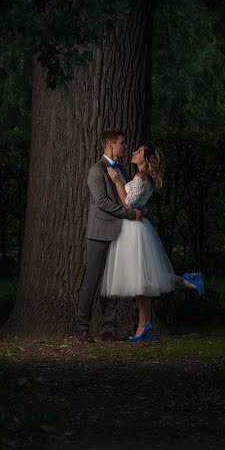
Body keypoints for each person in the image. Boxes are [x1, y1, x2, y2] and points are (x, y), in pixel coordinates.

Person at [103, 142, 204, 342]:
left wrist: (116, 182)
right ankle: (145, 324)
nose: (133, 152)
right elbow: (138, 202)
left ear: (146, 159)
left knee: (141, 278)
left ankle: (187, 283)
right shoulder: (141, 177)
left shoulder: (141, 177)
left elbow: (129, 202)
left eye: (138, 152)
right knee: (142, 278)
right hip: (133, 227)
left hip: (134, 231)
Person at [75, 130, 146, 342]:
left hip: (119, 233)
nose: (125, 146)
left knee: (110, 281)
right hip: (99, 233)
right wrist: (130, 214)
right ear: (110, 146)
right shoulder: (96, 171)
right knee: (92, 280)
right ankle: (82, 328)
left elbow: (129, 199)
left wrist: (142, 211)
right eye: (122, 143)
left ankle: (108, 328)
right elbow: (102, 203)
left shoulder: (122, 169)